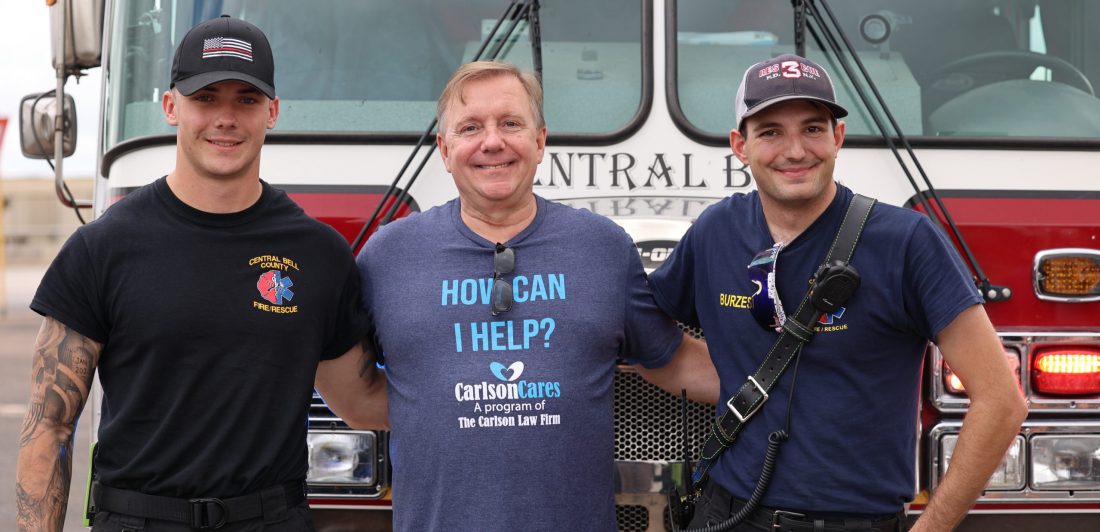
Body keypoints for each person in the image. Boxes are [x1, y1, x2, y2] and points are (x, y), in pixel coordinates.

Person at [315, 60, 719, 531]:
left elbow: (671, 359)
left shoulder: (604, 248)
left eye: (510, 123)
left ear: (540, 140)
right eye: (470, 128)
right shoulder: (387, 256)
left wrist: (800, 380)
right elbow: (355, 397)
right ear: (445, 150)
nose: (492, 142)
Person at [16, 16, 378, 531]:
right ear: (171, 107)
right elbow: (49, 425)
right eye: (206, 97)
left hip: (271, 520)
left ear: (272, 111)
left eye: (246, 100)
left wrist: (484, 392)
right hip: (138, 519)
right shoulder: (103, 248)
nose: (225, 118)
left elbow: (361, 400)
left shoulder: (318, 253)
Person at [648, 54, 1027, 532]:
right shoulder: (714, 232)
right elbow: (638, 328)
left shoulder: (908, 242)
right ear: (739, 146)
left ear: (838, 138)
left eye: (812, 128)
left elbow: (1001, 400)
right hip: (727, 515)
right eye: (769, 132)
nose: (794, 150)